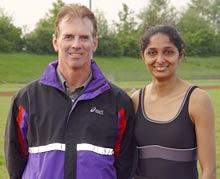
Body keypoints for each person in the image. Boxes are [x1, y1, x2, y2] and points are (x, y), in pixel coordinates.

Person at [4, 4, 135, 179]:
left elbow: (125, 167)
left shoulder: (119, 102)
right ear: (55, 42)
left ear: (94, 43)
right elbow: (15, 164)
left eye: (84, 37)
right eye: (68, 37)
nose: (76, 44)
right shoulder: (26, 99)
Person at [131, 25, 216, 179]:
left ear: (180, 55)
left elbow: (209, 171)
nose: (160, 60)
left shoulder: (197, 100)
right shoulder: (135, 100)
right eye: (152, 53)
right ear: (143, 57)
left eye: (168, 52)